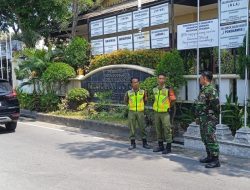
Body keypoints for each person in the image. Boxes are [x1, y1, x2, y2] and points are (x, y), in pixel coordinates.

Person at [195, 71, 220, 168]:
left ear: (205, 78)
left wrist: (212, 116)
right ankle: (209, 156)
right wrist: (198, 117)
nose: (199, 79)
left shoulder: (211, 90)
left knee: (210, 137)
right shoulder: (203, 89)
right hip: (203, 118)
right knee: (204, 137)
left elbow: (216, 106)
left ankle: (215, 160)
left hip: (209, 118)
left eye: (200, 77)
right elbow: (200, 104)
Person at [124, 77, 150, 150]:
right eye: (134, 82)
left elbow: (145, 101)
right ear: (131, 84)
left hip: (140, 112)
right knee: (132, 128)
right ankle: (132, 143)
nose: (135, 84)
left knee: (142, 127)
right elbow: (126, 101)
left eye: (137, 82)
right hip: (131, 112)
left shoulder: (143, 92)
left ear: (139, 83)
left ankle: (145, 143)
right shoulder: (128, 93)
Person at [153, 74, 176, 154]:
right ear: (157, 79)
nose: (161, 80)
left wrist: (169, 106)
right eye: (160, 78)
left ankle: (168, 148)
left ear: (165, 80)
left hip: (165, 113)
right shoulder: (154, 89)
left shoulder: (168, 89)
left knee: (167, 129)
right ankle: (160, 146)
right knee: (158, 129)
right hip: (156, 112)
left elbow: (173, 99)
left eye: (163, 78)